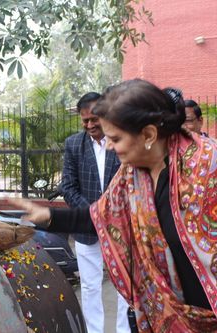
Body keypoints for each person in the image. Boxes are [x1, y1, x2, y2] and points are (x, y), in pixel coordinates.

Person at [9, 79, 217, 332]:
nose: (110, 146)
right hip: (174, 315)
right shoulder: (133, 175)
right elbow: (103, 217)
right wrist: (47, 216)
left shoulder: (209, 168)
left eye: (115, 138)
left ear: (149, 135)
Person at [62, 92, 129, 333]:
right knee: (90, 287)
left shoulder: (122, 141)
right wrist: (93, 213)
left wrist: (113, 214)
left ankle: (124, 330)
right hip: (86, 228)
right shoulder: (73, 145)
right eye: (85, 121)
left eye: (94, 119)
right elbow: (67, 187)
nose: (90, 125)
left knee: (125, 285)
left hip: (121, 227)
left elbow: (133, 183)